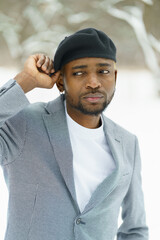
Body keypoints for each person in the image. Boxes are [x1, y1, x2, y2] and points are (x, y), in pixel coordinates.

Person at [0, 28, 148, 240]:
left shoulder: (127, 143)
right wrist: (26, 80)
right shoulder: (25, 124)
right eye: (79, 73)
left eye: (103, 71)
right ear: (60, 81)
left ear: (115, 76)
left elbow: (135, 229)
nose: (94, 82)